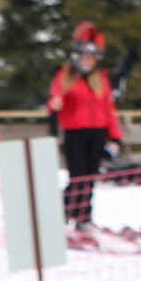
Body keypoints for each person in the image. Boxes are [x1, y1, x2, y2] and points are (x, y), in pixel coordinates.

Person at [49, 25, 121, 242]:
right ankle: (61, 214)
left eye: (92, 57)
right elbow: (54, 101)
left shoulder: (101, 80)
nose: (88, 61)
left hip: (97, 133)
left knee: (90, 178)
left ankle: (84, 217)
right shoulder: (65, 77)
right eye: (85, 57)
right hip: (75, 133)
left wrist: (115, 137)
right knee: (77, 177)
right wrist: (55, 106)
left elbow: (109, 110)